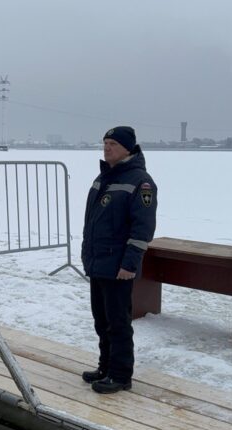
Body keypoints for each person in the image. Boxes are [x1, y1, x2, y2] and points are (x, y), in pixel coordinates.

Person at [80, 126, 157, 393]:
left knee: (118, 322)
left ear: (128, 148)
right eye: (105, 143)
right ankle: (105, 366)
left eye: (112, 143)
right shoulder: (103, 178)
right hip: (98, 263)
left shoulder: (140, 182)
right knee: (101, 321)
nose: (107, 147)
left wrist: (129, 264)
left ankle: (121, 374)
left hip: (118, 266)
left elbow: (142, 229)